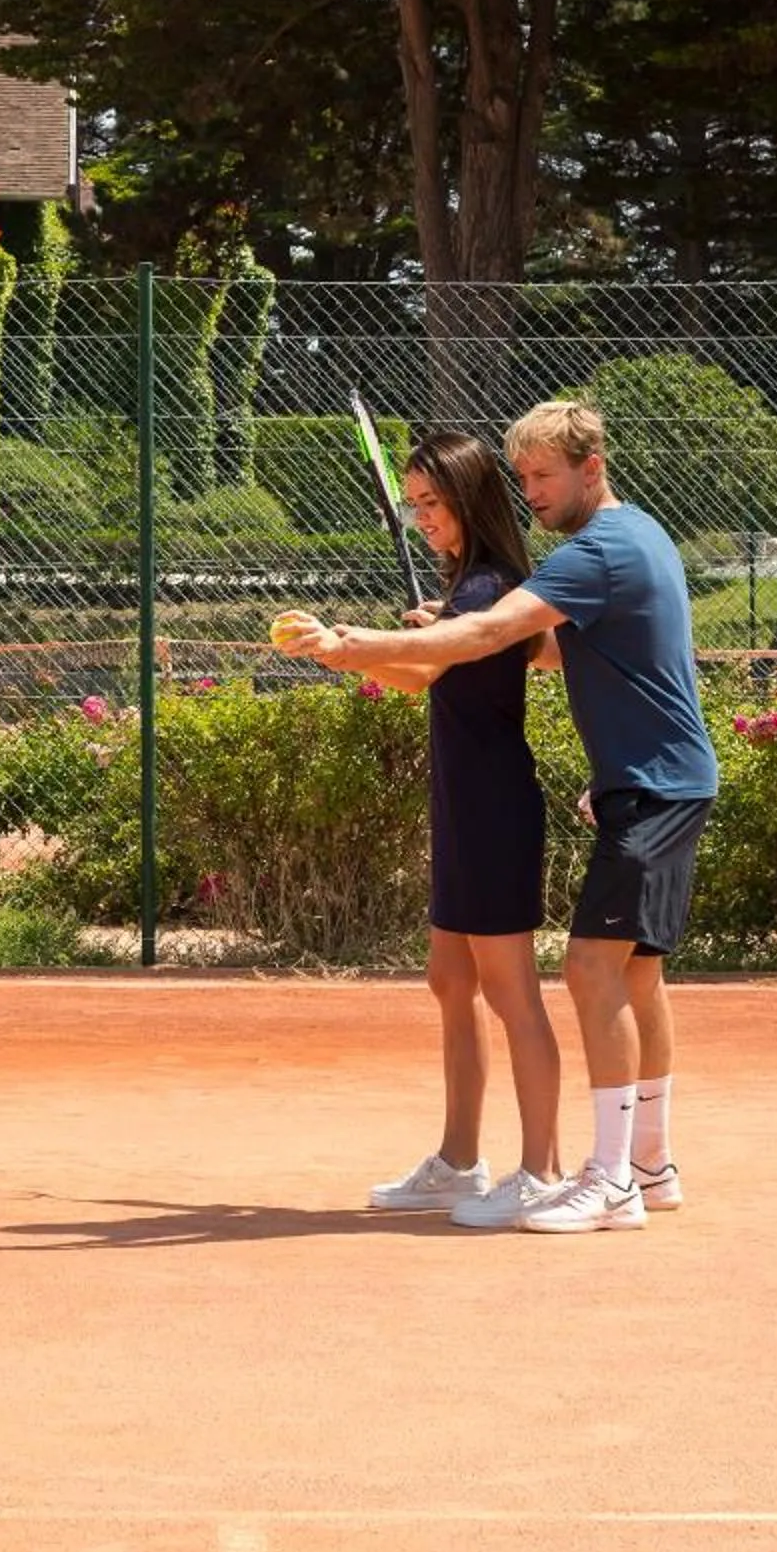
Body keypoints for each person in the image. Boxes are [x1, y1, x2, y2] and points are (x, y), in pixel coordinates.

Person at [277, 401, 716, 1234]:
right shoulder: (640, 538)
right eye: (524, 478)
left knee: (590, 971)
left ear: (595, 467)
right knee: (632, 975)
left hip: (646, 786)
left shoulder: (597, 550)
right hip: (650, 780)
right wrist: (433, 638)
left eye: (544, 475)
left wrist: (355, 645)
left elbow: (495, 632)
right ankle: (648, 1166)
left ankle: (606, 1178)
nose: (533, 493)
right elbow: (544, 648)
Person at [278, 433, 565, 1230]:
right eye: (414, 505)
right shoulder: (470, 590)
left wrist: (350, 649)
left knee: (513, 994)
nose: (422, 517)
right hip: (463, 804)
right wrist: (344, 655)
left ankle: (541, 1171)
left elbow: (427, 665)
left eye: (432, 503)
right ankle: (460, 1162)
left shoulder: (491, 586)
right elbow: (424, 673)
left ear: (469, 499)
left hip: (495, 807)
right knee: (451, 980)